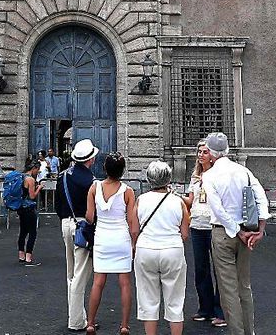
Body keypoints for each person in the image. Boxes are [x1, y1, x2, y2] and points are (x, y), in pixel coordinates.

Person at [200, 132, 270, 335]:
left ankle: (237, 333)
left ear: (211, 153)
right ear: (228, 150)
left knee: (228, 289)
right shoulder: (244, 171)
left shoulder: (210, 176)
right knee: (244, 286)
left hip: (224, 234)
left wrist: (237, 231)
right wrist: (260, 230)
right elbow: (261, 198)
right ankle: (250, 332)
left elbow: (218, 210)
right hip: (248, 233)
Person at [134, 161, 190, 335]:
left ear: (149, 179)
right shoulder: (178, 202)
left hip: (146, 249)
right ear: (169, 179)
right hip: (172, 249)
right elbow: (185, 233)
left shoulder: (141, 200)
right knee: (175, 300)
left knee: (148, 300)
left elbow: (134, 229)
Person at [85, 152, 137, 335]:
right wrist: (134, 243)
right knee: (124, 283)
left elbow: (90, 218)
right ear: (123, 170)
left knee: (98, 282)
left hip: (102, 238)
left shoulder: (94, 188)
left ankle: (90, 323)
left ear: (105, 168)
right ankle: (124, 325)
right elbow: (132, 222)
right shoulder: (128, 191)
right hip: (121, 237)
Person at [56, 138, 98, 332]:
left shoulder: (62, 177)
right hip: (82, 227)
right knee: (81, 275)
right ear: (90, 159)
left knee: (71, 273)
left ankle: (77, 315)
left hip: (66, 224)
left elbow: (57, 207)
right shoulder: (91, 182)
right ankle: (76, 321)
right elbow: (93, 212)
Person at [185, 139, 226, 327]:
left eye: (205, 152)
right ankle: (205, 308)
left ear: (213, 155)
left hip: (214, 225)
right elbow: (190, 201)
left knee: (219, 270)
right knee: (201, 269)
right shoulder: (195, 177)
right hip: (197, 226)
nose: (201, 155)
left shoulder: (219, 176)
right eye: (199, 152)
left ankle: (220, 311)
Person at [17, 158, 44, 266]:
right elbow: (32, 196)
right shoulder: (30, 180)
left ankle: (21, 254)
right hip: (29, 208)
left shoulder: (21, 176)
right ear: (34, 168)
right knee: (32, 232)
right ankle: (29, 256)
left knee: (23, 231)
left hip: (21, 208)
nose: (38, 172)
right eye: (37, 170)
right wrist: (39, 188)